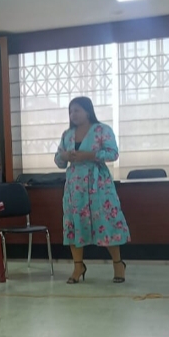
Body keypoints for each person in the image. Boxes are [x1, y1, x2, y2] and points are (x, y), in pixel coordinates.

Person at [54, 96, 131, 284]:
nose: (73, 114)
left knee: (105, 221)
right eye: (70, 111)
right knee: (74, 224)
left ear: (88, 111)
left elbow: (113, 153)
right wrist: (64, 156)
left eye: (77, 110)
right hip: (75, 187)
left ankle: (118, 264)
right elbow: (58, 160)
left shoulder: (102, 130)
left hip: (99, 185)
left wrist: (90, 155)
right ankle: (78, 266)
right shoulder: (67, 134)